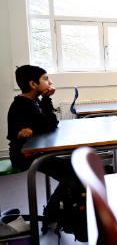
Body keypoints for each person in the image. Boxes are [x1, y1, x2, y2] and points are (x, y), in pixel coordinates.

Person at [7, 65, 84, 233]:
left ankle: (53, 210)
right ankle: (53, 212)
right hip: (25, 156)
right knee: (73, 172)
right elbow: (49, 124)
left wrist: (45, 101)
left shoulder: (33, 102)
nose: (50, 82)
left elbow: (48, 124)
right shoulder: (22, 105)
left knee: (74, 169)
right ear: (33, 84)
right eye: (46, 79)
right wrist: (47, 100)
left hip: (37, 152)